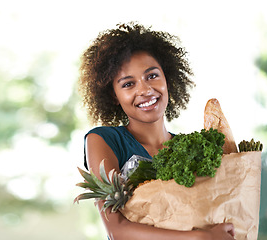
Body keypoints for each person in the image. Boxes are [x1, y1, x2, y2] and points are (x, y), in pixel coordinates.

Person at [77, 22, 235, 240]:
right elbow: (117, 230)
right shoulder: (103, 140)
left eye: (152, 76)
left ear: (167, 79)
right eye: (128, 84)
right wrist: (202, 238)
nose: (144, 90)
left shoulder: (191, 148)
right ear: (113, 95)